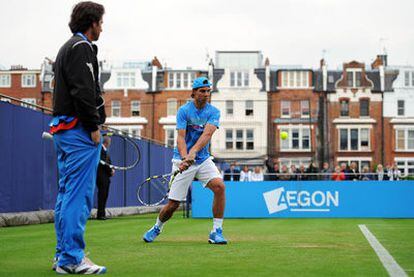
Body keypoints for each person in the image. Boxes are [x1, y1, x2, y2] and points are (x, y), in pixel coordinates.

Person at [50, 2, 107, 274]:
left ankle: (63, 256)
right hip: (79, 131)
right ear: (92, 22)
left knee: (65, 194)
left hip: (63, 130)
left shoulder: (65, 48)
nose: (102, 27)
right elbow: (84, 91)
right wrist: (94, 127)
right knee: (78, 196)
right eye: (100, 22)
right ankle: (72, 258)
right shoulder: (81, 47)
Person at [143, 77, 227, 244]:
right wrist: (184, 157)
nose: (206, 94)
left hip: (202, 159)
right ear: (194, 93)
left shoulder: (213, 112)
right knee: (173, 205)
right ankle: (157, 227)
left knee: (219, 187)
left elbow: (207, 135)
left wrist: (193, 153)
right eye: (202, 91)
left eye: (208, 91)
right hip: (182, 158)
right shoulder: (184, 111)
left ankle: (216, 231)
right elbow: (180, 137)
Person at [96, 135, 115, 220]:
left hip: (106, 177)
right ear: (106, 142)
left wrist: (112, 169)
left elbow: (108, 162)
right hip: (101, 176)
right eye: (109, 142)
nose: (110, 144)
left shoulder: (105, 151)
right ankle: (100, 215)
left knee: (104, 195)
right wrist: (110, 170)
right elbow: (103, 163)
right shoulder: (101, 150)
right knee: (102, 195)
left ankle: (102, 214)